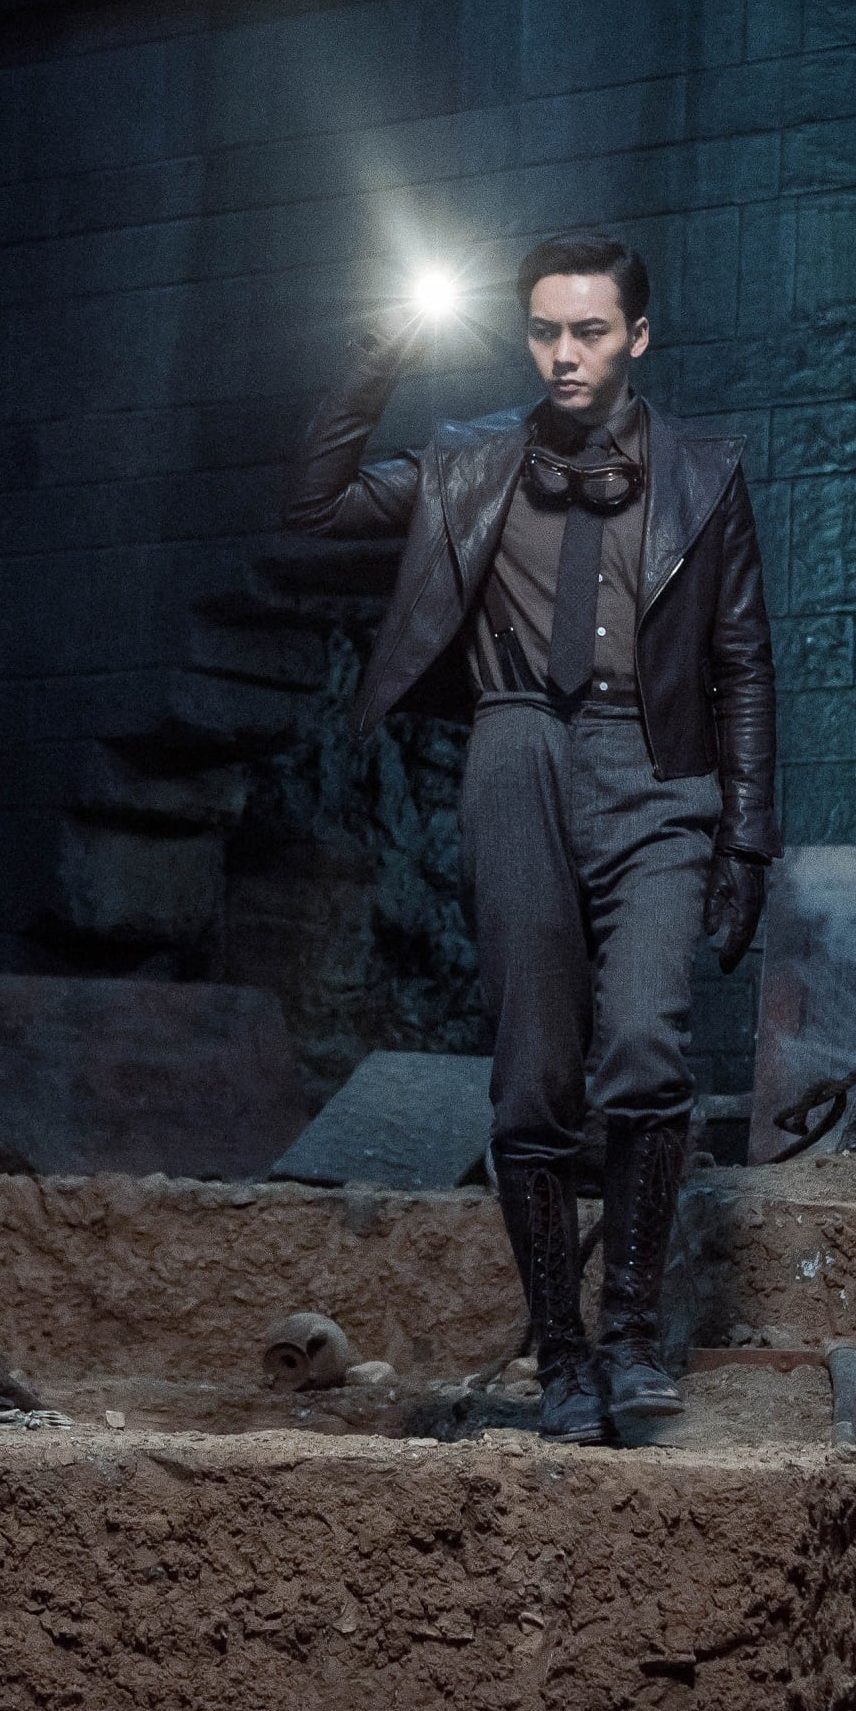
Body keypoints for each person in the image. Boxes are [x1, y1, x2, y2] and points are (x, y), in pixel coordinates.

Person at [282, 231, 778, 1444]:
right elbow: (315, 506)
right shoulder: (469, 461)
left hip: (656, 765)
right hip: (514, 756)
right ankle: (561, 1358)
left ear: (637, 336)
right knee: (535, 1074)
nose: (566, 353)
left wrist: (747, 842)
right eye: (546, 331)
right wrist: (383, 346)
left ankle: (631, 1339)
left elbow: (744, 663)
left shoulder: (704, 471)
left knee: (647, 1040)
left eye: (590, 331)